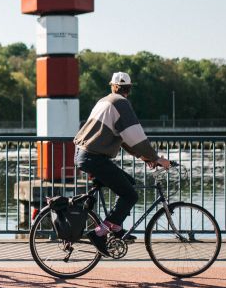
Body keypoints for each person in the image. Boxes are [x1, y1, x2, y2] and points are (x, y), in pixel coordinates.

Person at [72, 72, 170, 256]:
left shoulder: (104, 101)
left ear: (112, 86)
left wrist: (145, 158)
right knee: (130, 196)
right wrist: (156, 158)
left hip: (83, 154)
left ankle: (115, 228)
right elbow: (135, 135)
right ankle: (100, 233)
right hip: (94, 157)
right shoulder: (121, 103)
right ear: (129, 89)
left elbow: (124, 139)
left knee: (129, 183)